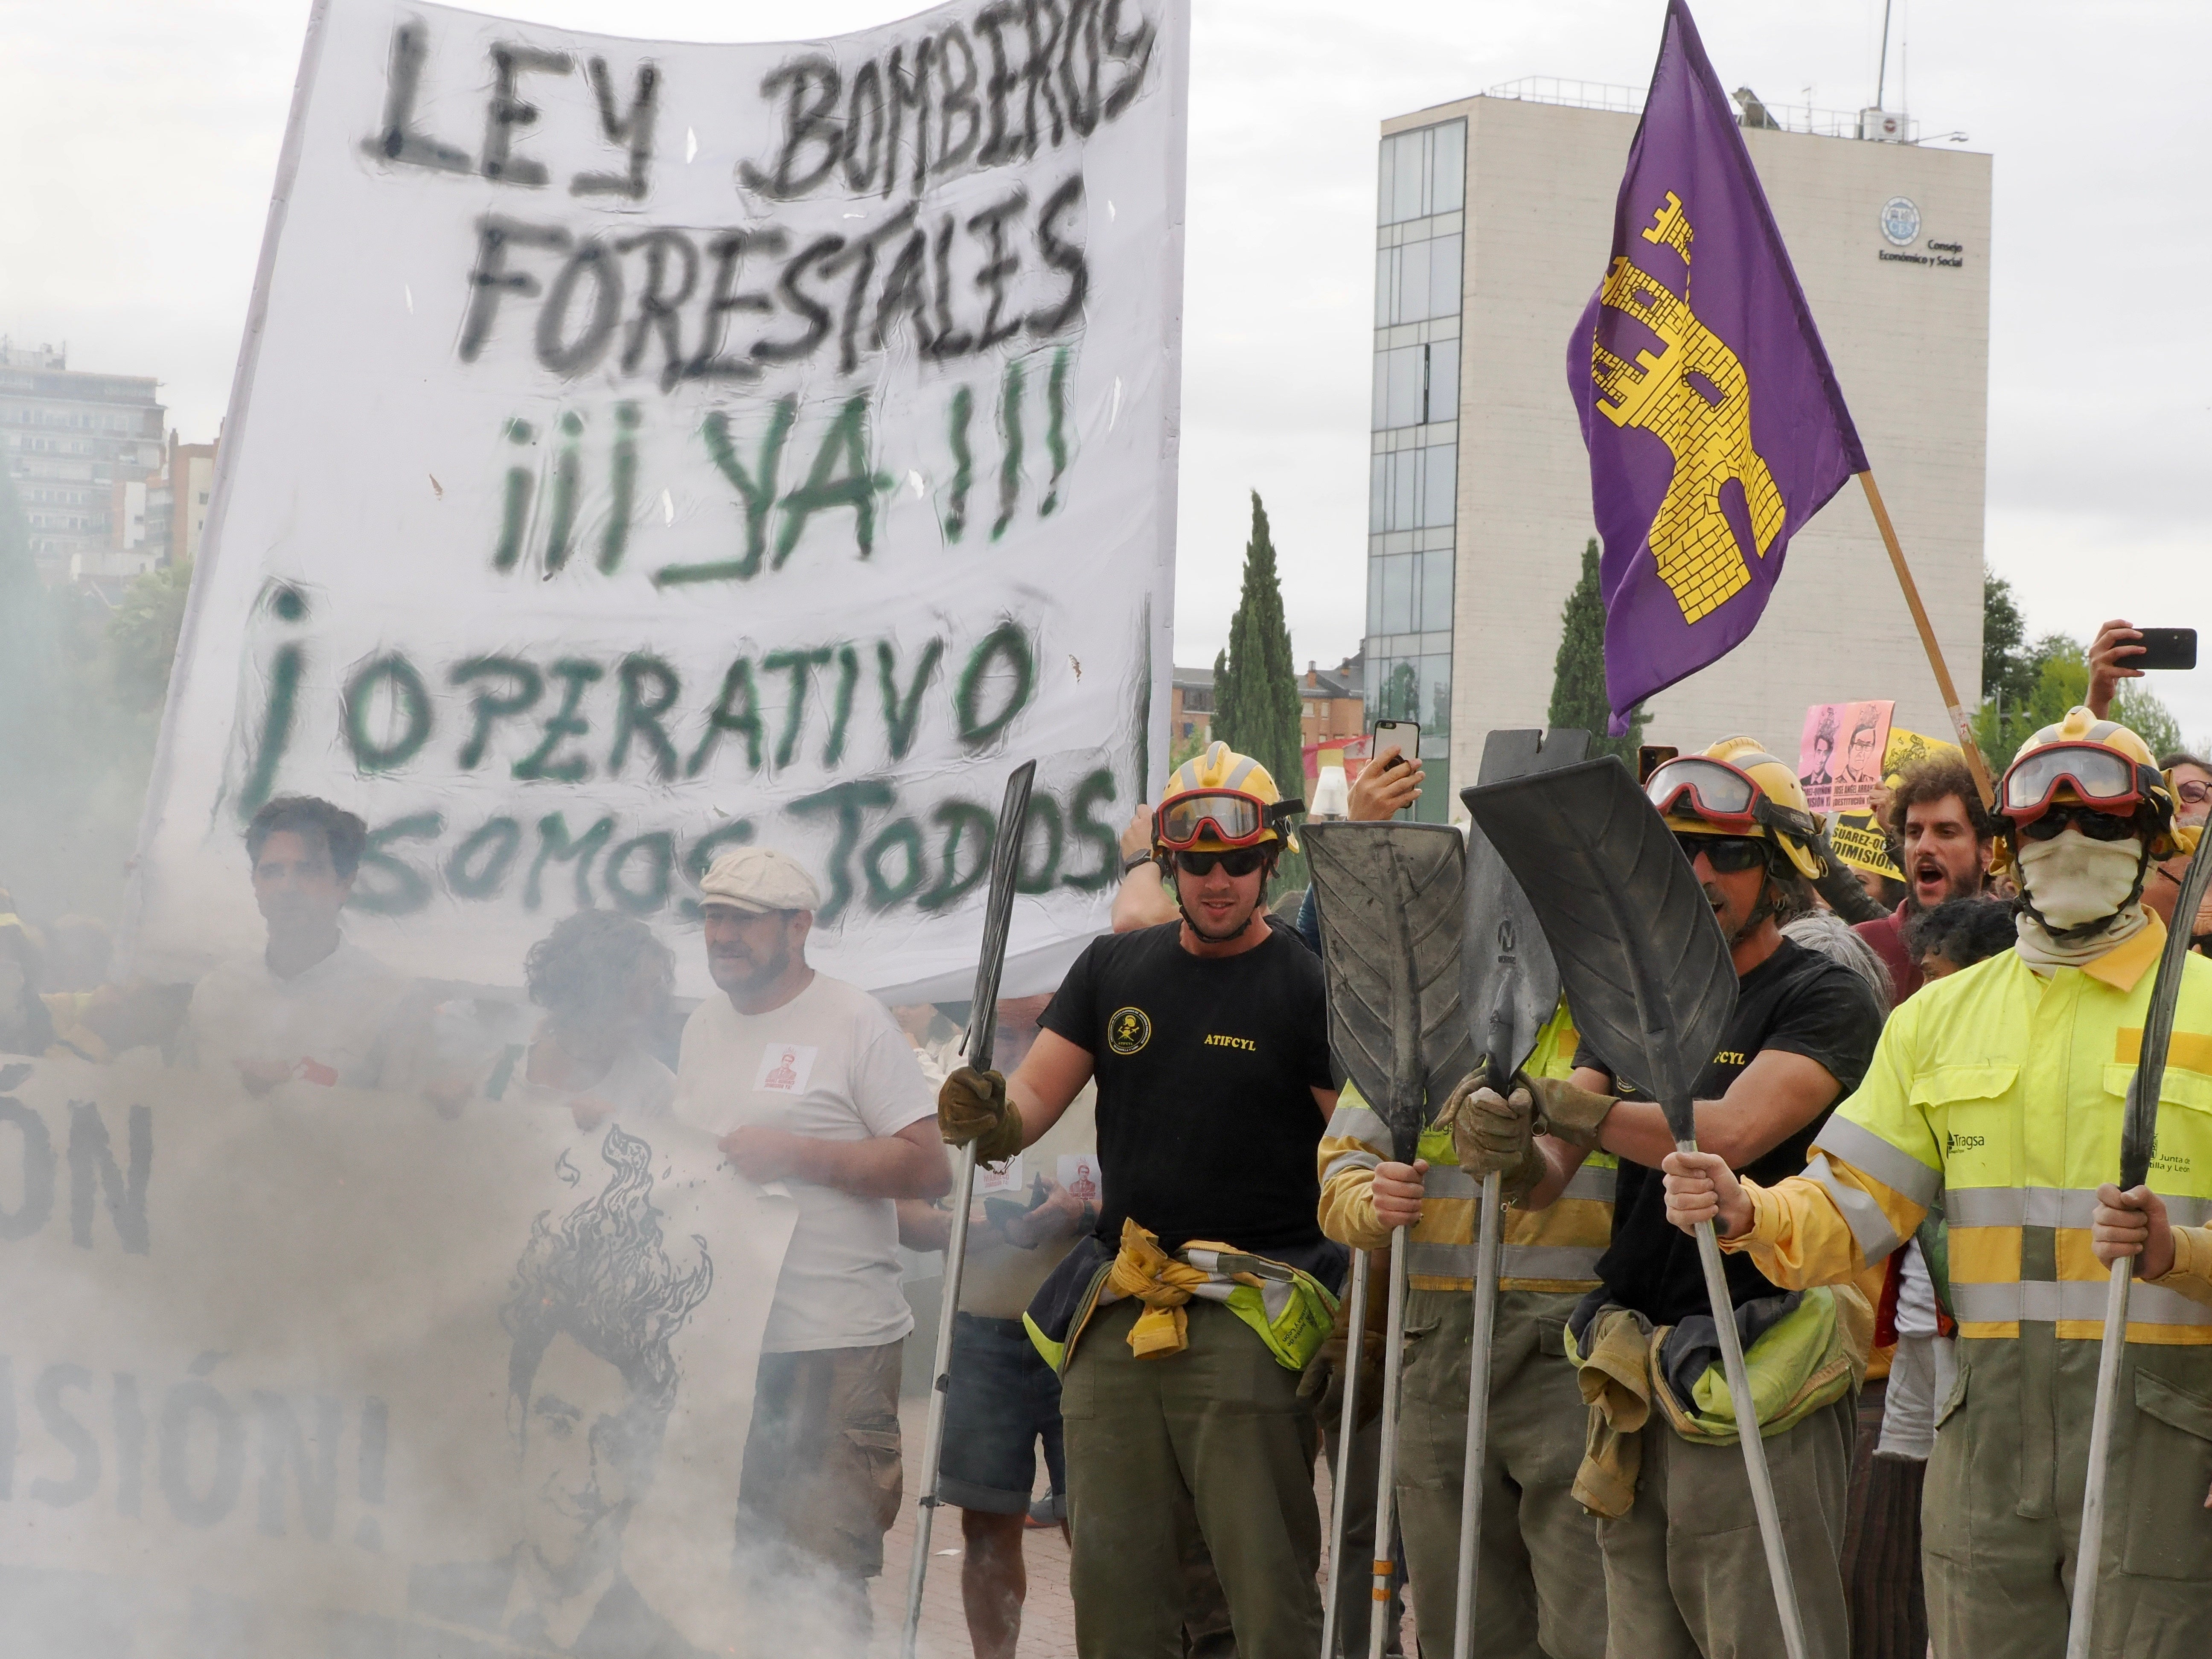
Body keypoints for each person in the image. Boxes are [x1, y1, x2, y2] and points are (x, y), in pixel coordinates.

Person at [1661, 709, 2212, 1659]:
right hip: (1984, 1439)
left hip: (2164, 1440)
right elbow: (1849, 1203)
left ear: (2153, 842)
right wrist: (1750, 1207)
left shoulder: (2202, 1008)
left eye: (2102, 822)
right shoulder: (1936, 1020)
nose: (2070, 839)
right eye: (2044, 822)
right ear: (2008, 846)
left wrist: (2179, 1253)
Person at [1460, 736, 1885, 1659]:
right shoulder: (1628, 1002)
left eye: (1727, 852)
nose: (1696, 874)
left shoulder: (1823, 997)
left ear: (1781, 871)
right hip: (1636, 1369)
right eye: (1677, 850)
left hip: (1761, 1364)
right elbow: (1550, 1174)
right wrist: (1505, 1142)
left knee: (1762, 1638)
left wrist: (1562, 1104)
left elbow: (1726, 1131)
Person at [937, 742, 1342, 1659]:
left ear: (1269, 864)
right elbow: (1030, 1102)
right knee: (1113, 1580)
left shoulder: (1308, 987)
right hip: (1118, 1305)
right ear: (1168, 862)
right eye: (1196, 862)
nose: (1217, 880)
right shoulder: (1112, 969)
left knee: (1263, 1585)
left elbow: (1353, 1147)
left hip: (1255, 1312)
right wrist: (989, 1115)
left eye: (1237, 862)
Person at [667, 844, 950, 1636]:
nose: (722, 934)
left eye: (744, 919)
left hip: (837, 1342)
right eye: (712, 915)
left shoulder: (854, 1019)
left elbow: (930, 1166)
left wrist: (799, 1155)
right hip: (727, 1344)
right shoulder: (701, 1025)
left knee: (824, 1572)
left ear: (799, 926)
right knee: (739, 1559)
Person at [1317, 995, 1613, 1659]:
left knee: (1591, 1620)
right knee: (1463, 1626)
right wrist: (1372, 1201)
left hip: (1575, 1354)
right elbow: (1341, 1170)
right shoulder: (1416, 1022)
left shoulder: (1606, 1016)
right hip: (1437, 1351)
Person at [407, 1125, 712, 1655]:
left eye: (614, 1443)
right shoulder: (426, 1600)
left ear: (649, 1461)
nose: (580, 1481)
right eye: (560, 1426)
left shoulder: (667, 1651)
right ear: (516, 1419)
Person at [899, 995, 1097, 1659]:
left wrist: (1080, 1215)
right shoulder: (960, 1095)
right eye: (1004, 1036)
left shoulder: (1103, 1093)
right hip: (981, 1340)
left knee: (1096, 1526)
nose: (1021, 1052)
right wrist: (970, 1228)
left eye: (1037, 1034)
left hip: (1082, 1339)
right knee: (985, 1528)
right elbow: (909, 1215)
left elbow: (1148, 1203)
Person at [180, 795, 419, 1093]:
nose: (287, 887)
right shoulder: (216, 992)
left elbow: (405, 1119)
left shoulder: (392, 1002)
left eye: (308, 871)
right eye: (272, 872)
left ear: (345, 884)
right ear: (255, 883)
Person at [1851, 753, 1998, 1002]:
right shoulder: (1862, 948)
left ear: (1987, 852)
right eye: (1914, 833)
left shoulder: (2017, 946)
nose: (1923, 847)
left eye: (1946, 832)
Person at [512, 909, 678, 1129]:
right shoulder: (504, 1070)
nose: (647, 1006)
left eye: (652, 987)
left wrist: (618, 1129)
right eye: (632, 990)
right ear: (582, 992)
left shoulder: (656, 1088)